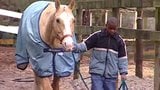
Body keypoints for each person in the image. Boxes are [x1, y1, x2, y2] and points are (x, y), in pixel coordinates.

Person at [73, 17, 128, 90]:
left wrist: (123, 72)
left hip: (111, 75)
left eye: (114, 29)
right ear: (106, 26)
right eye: (110, 28)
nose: (112, 31)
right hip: (97, 72)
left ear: (117, 28)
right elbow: (84, 46)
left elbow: (122, 58)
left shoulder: (119, 41)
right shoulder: (97, 36)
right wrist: (73, 47)